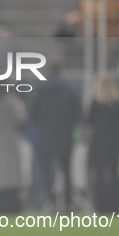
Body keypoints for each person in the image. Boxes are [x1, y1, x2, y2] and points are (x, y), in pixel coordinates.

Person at [29, 65, 82, 212]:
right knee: (66, 171)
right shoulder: (69, 91)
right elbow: (78, 113)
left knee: (47, 172)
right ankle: (67, 201)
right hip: (65, 136)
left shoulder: (41, 91)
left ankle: (49, 201)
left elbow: (33, 114)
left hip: (46, 137)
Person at [87, 75, 119, 212]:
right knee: (114, 175)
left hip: (99, 144)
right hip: (114, 144)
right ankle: (115, 206)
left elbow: (89, 122)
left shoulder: (96, 103)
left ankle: (100, 206)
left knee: (99, 176)